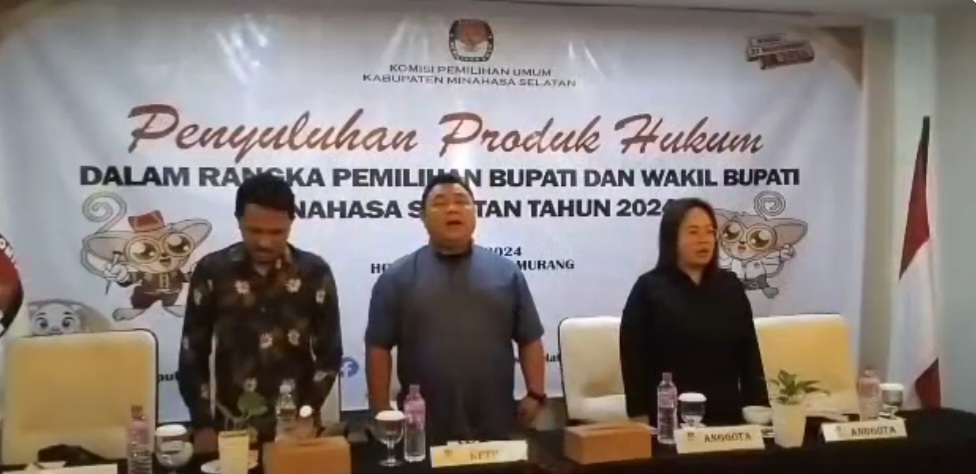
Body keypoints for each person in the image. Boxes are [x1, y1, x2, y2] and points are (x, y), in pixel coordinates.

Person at [364, 173, 547, 443]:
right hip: (424, 425)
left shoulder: (506, 273)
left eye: (461, 201)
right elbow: (378, 347)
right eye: (439, 203)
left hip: (495, 418)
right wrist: (381, 410)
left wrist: (535, 393)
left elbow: (530, 338)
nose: (452, 209)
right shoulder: (396, 278)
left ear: (475, 212)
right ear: (422, 217)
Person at [177, 173, 342, 453]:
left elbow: (330, 354)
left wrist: (307, 413)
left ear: (291, 223)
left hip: (296, 429)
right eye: (254, 231)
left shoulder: (315, 273)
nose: (265, 242)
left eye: (276, 233)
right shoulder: (212, 271)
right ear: (238, 221)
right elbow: (192, 351)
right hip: (231, 430)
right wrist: (202, 424)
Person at [620, 198, 768, 426]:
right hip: (669, 418)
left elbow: (749, 353)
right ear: (672, 238)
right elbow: (633, 358)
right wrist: (638, 415)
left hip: (727, 416)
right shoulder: (649, 288)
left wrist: (759, 406)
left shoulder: (730, 286)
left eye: (710, 232)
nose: (704, 240)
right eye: (693, 232)